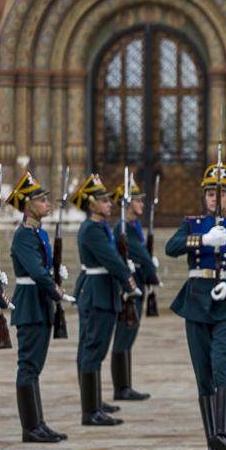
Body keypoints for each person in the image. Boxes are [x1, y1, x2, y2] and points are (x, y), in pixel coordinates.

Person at [165, 163, 226, 450]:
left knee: (222, 363)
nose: (213, 199)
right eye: (209, 193)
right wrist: (203, 240)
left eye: (219, 193)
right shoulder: (192, 224)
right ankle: (213, 441)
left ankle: (223, 435)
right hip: (196, 302)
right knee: (203, 373)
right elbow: (171, 247)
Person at [7, 171, 74, 443]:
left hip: (41, 302)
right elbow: (35, 270)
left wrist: (57, 274)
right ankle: (30, 427)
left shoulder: (38, 233)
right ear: (28, 205)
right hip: (31, 302)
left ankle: (38, 423)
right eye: (42, 200)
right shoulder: (23, 235)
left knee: (35, 366)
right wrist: (56, 290)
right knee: (28, 365)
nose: (47, 204)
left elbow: (44, 265)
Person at [72, 174, 141, 427]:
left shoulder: (99, 226)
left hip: (102, 289)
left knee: (95, 349)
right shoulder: (91, 229)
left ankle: (94, 402)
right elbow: (110, 259)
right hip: (98, 292)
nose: (109, 204)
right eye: (103, 200)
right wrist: (129, 281)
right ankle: (90, 411)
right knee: (93, 349)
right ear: (91, 204)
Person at [109, 179, 159, 401]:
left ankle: (125, 385)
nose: (142, 204)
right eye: (138, 201)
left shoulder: (131, 226)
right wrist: (151, 271)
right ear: (127, 204)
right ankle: (121, 388)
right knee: (123, 337)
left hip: (136, 285)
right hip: (129, 290)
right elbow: (144, 259)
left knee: (128, 337)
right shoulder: (123, 228)